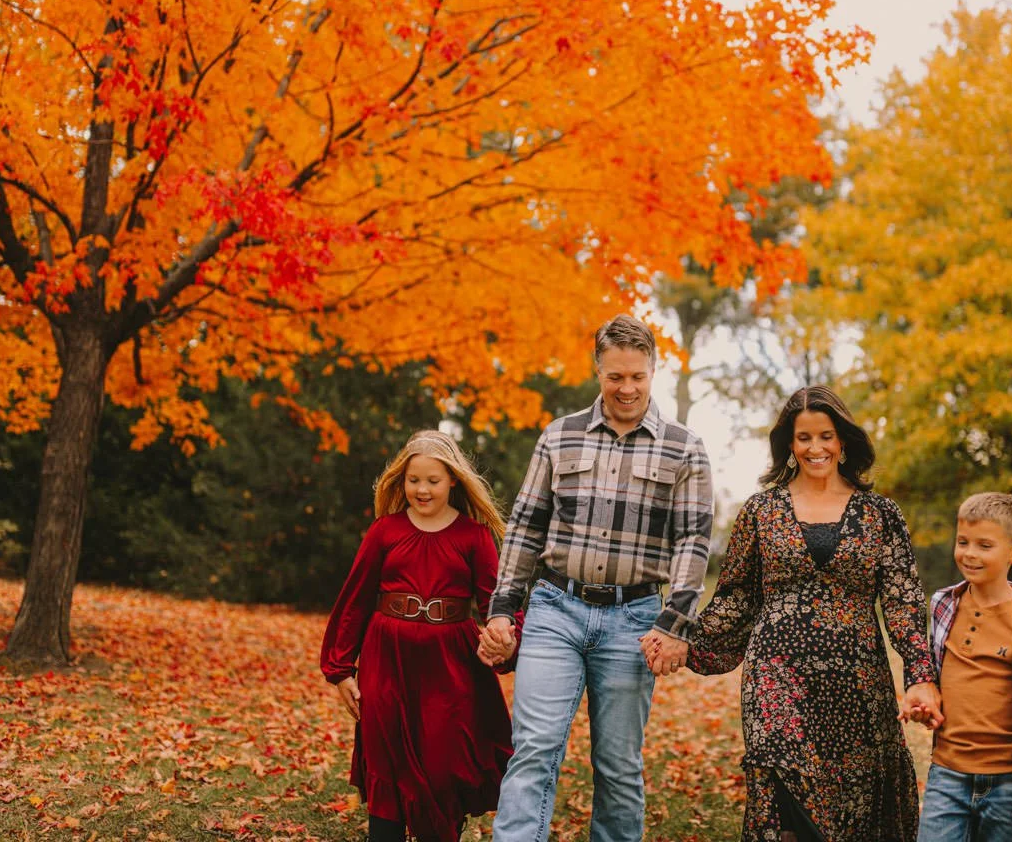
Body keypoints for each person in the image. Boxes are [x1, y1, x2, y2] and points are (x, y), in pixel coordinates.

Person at [477, 314, 714, 842]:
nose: (626, 388)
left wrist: (675, 624)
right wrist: (501, 609)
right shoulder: (558, 437)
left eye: (637, 376)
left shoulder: (684, 447)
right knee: (534, 750)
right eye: (615, 377)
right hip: (555, 610)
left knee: (618, 765)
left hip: (635, 621)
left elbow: (693, 543)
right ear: (598, 372)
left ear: (653, 370)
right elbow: (525, 526)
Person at [685, 384, 942, 842]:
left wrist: (920, 674)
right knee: (782, 787)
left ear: (843, 441)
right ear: (789, 444)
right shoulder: (761, 510)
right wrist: (682, 635)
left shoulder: (881, 514)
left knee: (856, 808)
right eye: (804, 437)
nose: (815, 447)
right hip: (776, 676)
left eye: (825, 436)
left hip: (858, 683)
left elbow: (903, 601)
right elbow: (736, 596)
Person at [319, 430, 520, 842]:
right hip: (387, 659)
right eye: (414, 480)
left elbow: (495, 602)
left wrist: (505, 645)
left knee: (444, 765)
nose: (422, 489)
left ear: (453, 482)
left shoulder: (473, 535)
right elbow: (354, 599)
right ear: (401, 480)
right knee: (388, 762)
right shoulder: (385, 531)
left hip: (451, 666)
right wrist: (340, 669)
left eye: (433, 480)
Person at [906, 492, 1012, 842]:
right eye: (963, 541)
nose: (969, 553)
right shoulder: (943, 605)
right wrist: (926, 706)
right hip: (947, 773)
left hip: (1008, 782)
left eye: (984, 545)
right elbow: (938, 680)